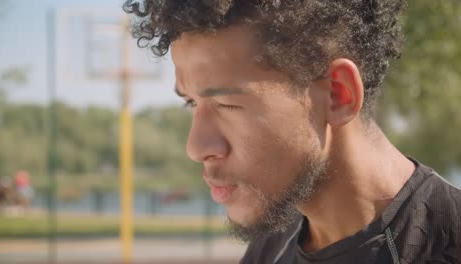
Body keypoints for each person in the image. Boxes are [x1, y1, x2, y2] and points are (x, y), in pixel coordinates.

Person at [123, 0, 461, 263]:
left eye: (227, 104)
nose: (196, 147)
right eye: (191, 103)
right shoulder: (269, 250)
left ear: (337, 94)